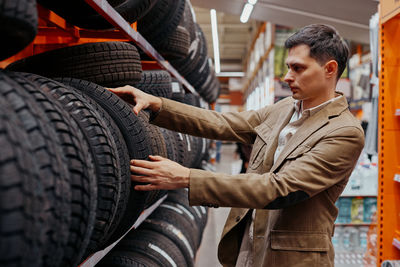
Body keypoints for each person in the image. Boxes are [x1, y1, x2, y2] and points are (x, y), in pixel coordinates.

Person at [109, 24, 364, 267]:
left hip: (292, 257)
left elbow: (279, 188)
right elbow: (223, 123)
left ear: (330, 69)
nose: (287, 77)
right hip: (248, 242)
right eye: (288, 67)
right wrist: (157, 104)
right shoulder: (284, 108)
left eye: (298, 68)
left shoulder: (344, 132)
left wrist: (187, 178)